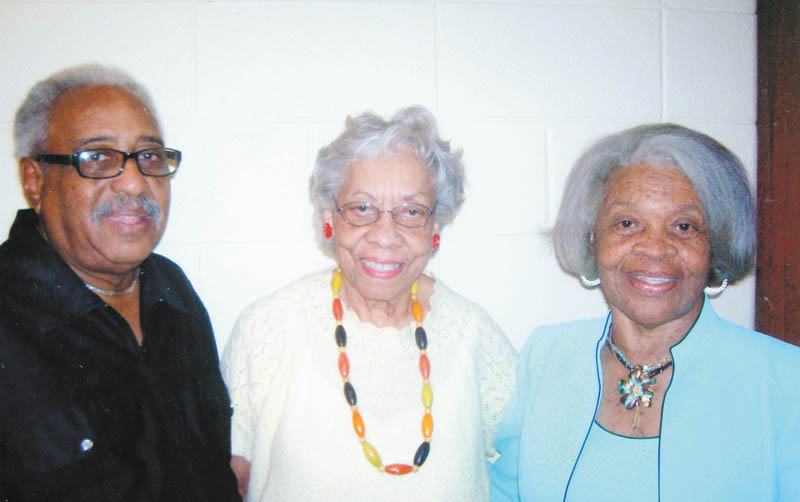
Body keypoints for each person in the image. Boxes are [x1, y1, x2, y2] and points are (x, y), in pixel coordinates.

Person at [490, 123, 800, 501]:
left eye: (684, 226)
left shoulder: (785, 381)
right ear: (593, 238)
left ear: (715, 246)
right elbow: (505, 492)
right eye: (627, 223)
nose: (654, 248)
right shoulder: (546, 355)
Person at [222, 105, 517, 501]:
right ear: (330, 219)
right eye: (362, 209)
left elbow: (530, 467)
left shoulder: (473, 335)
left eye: (411, 212)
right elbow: (227, 479)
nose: (385, 235)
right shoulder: (268, 328)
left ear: (435, 228)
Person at [0, 64, 240, 501]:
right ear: (34, 181)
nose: (134, 181)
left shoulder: (172, 290)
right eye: (97, 158)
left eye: (149, 156)